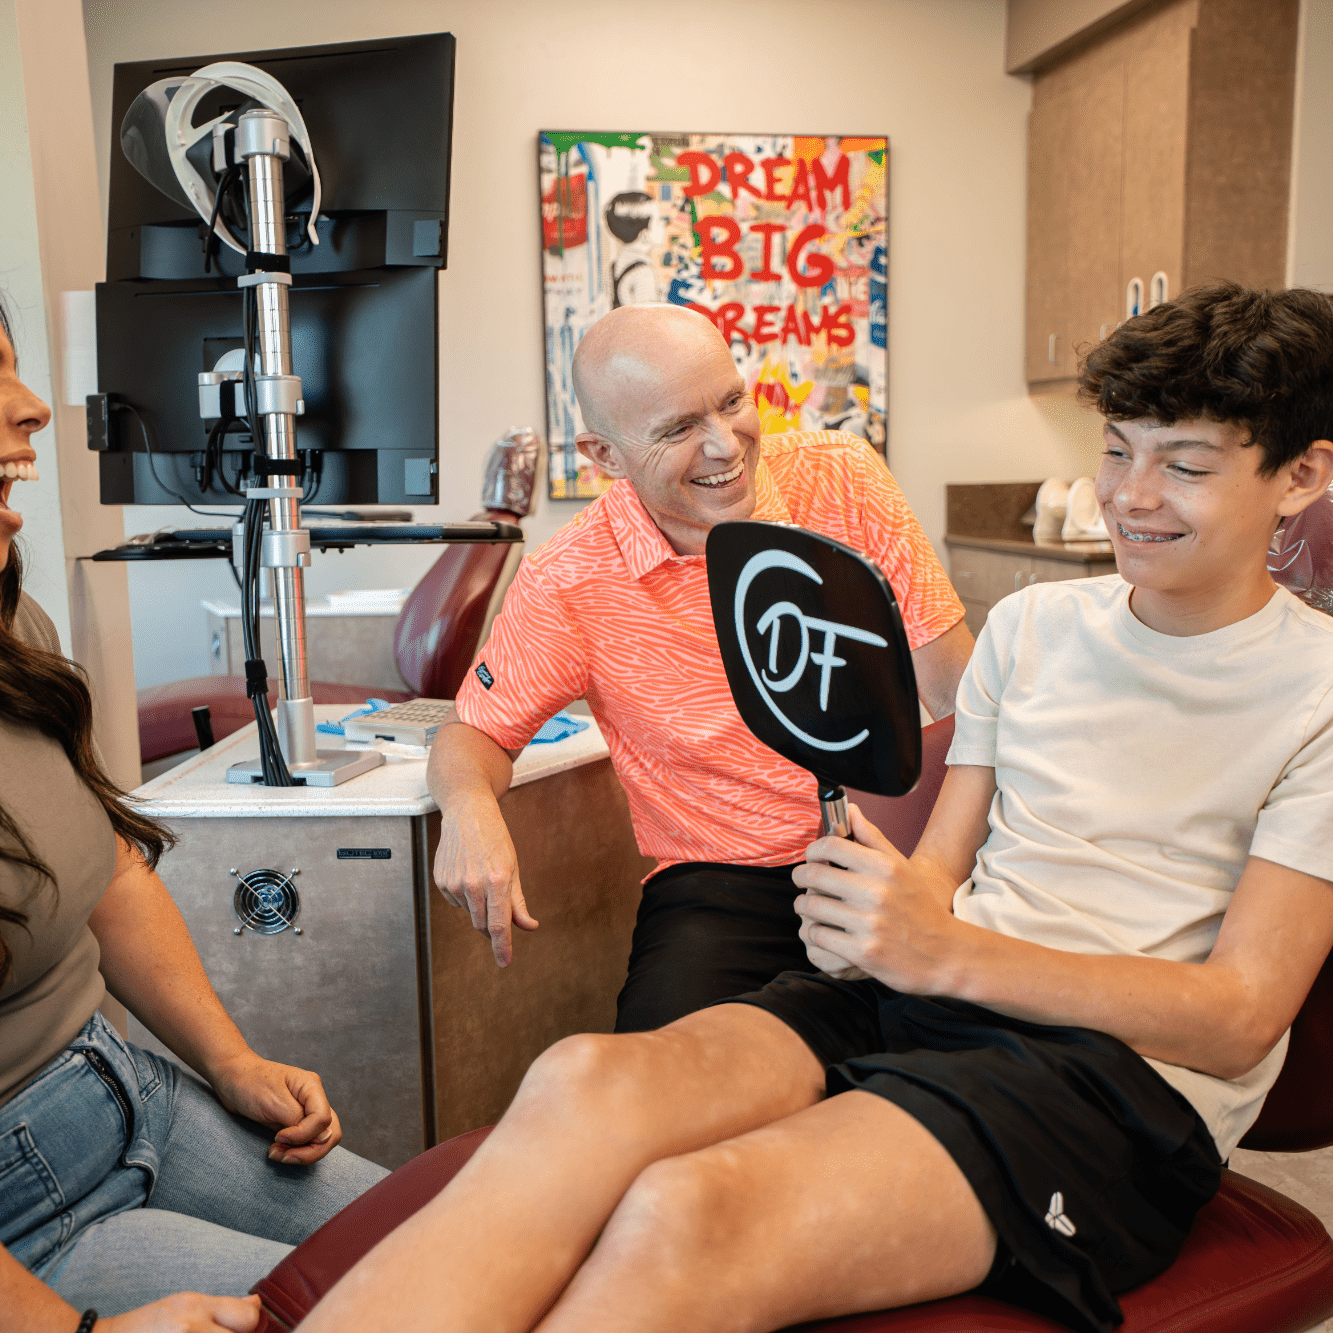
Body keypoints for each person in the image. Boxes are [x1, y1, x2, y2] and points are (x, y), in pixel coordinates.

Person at [300, 282, 1333, 1333]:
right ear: (606, 456)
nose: (1130, 495)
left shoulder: (1316, 694)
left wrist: (933, 945)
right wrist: (899, 912)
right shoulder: (1030, 627)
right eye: (1115, 451)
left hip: (1108, 1072)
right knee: (579, 1082)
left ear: (1303, 474)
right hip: (891, 968)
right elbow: (943, 864)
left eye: (1186, 466)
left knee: (685, 1206)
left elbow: (1243, 1017)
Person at [0, 304, 388, 1333]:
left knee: (470, 1240)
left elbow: (111, 875)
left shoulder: (14, 634)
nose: (34, 408)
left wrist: (231, 1061)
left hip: (129, 1091)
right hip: (26, 1229)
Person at [430, 302, 973, 1032]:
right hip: (723, 885)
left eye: (730, 402)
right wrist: (468, 807)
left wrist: (940, 869)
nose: (725, 446)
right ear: (604, 456)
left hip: (893, 850)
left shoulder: (843, 479)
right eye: (678, 429)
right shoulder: (569, 578)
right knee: (653, 1077)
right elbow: (476, 732)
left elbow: (960, 698)